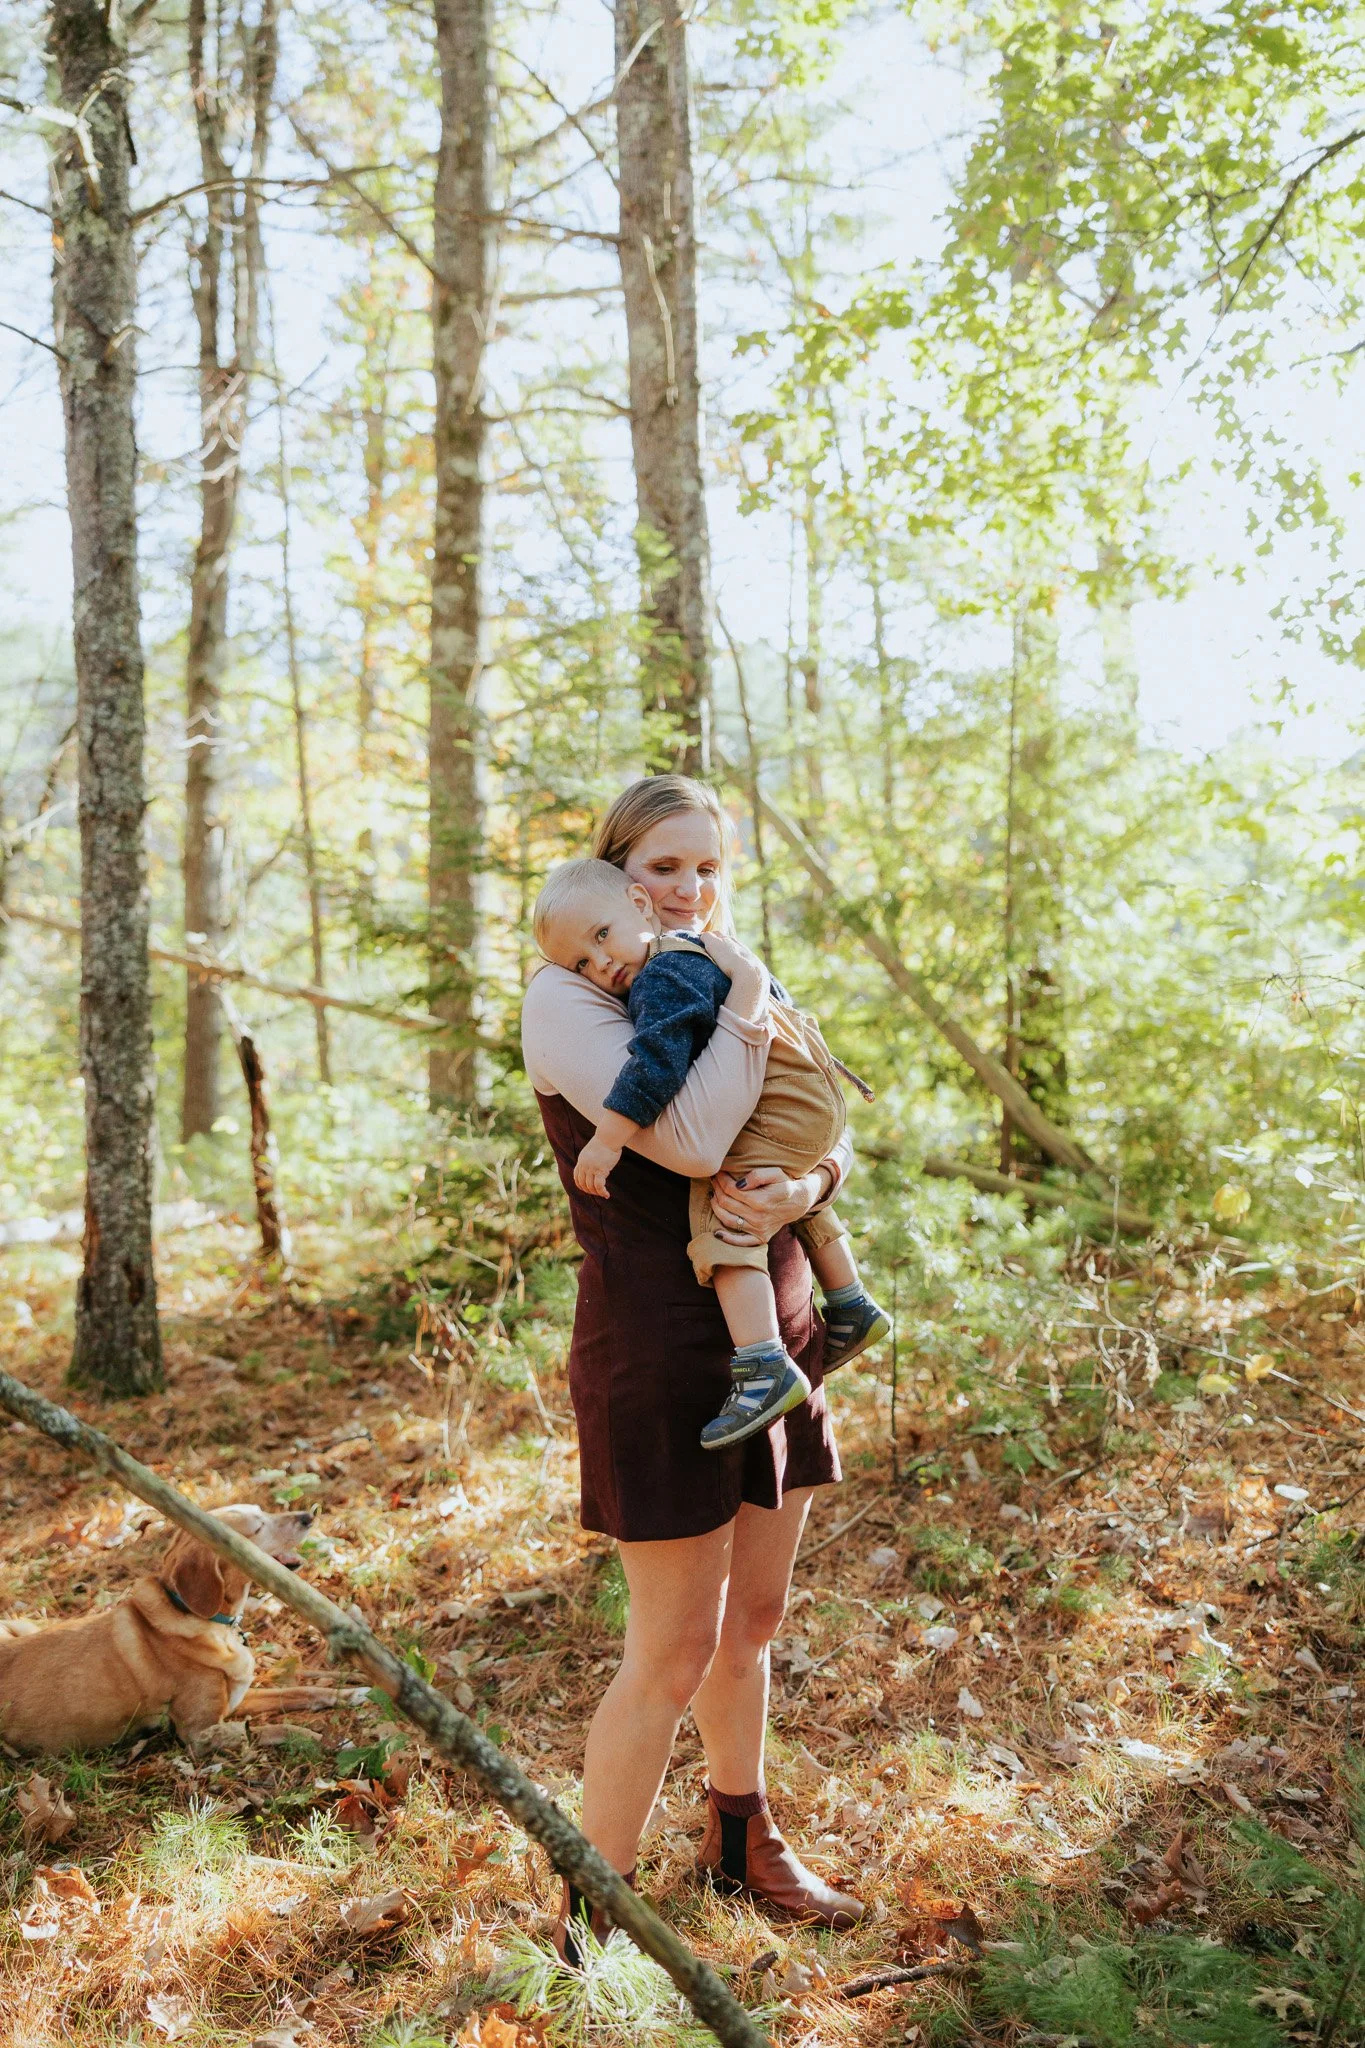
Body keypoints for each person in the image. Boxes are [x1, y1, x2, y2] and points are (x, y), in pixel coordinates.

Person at [520, 774, 866, 1963]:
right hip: (661, 1342)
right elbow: (701, 1135)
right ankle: (590, 1916)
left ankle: (738, 1835)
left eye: (708, 866)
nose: (689, 888)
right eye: (665, 866)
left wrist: (810, 1187)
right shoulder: (571, 996)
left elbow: (811, 1113)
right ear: (618, 870)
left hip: (773, 1318)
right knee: (670, 1647)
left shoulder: (717, 962)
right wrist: (751, 992)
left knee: (754, 1618)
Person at [532, 856, 892, 1450]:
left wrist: (608, 1138)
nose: (601, 963)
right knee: (766, 1177)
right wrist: (809, 1185)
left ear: (636, 905)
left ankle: (762, 1363)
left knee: (724, 1201)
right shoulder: (714, 954)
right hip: (809, 1102)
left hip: (784, 1106)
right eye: (582, 962)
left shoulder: (664, 975)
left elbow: (658, 1068)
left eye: (602, 936)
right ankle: (849, 1301)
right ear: (635, 881)